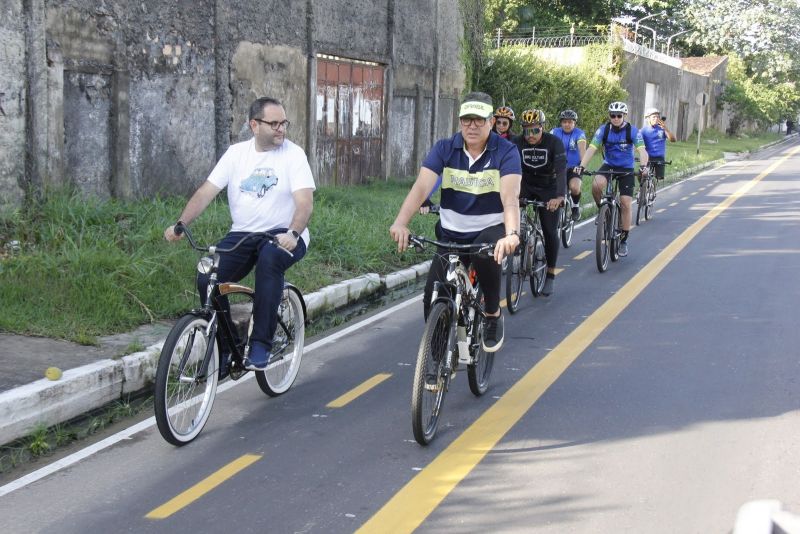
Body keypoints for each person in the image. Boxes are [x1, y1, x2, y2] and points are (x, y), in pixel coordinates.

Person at [164, 96, 315, 372]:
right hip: (243, 235)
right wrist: (180, 224)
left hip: (283, 234)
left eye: (284, 122)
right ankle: (226, 347)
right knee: (206, 276)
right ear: (254, 125)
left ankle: (261, 344)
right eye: (274, 123)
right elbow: (206, 192)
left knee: (270, 261)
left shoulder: (294, 155)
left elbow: (305, 202)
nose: (281, 128)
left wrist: (293, 232)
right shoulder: (236, 155)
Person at [390, 92, 522, 352]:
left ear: (491, 121)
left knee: (486, 255)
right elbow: (420, 189)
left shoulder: (506, 152)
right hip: (451, 233)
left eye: (479, 120)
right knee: (433, 297)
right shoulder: (445, 148)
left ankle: (493, 314)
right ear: (460, 121)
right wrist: (400, 223)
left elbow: (510, 197)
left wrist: (512, 233)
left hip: (489, 230)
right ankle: (436, 360)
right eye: (466, 120)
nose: (472, 126)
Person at [574, 101, 648, 258]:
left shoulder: (632, 131)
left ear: (624, 116)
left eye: (619, 116)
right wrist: (581, 166)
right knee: (596, 185)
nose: (615, 118)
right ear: (609, 116)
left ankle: (624, 240)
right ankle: (603, 211)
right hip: (608, 165)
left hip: (626, 168)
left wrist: (643, 166)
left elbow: (642, 151)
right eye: (612, 115)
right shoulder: (603, 130)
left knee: (626, 203)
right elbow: (592, 149)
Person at [512, 109, 567, 296]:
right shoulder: (516, 142)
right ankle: (517, 243)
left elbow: (560, 171)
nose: (530, 136)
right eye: (527, 131)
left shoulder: (554, 143)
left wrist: (559, 197)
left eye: (535, 131)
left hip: (548, 187)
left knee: (550, 230)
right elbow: (507, 166)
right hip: (526, 183)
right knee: (507, 210)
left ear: (542, 128)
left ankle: (550, 273)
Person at [550, 109, 587, 221]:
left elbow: (582, 151)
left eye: (570, 122)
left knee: (575, 188)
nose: (567, 124)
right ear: (561, 123)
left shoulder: (579, 133)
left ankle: (575, 207)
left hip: (574, 168)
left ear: (574, 123)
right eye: (565, 122)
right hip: (557, 167)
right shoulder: (554, 132)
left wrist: (581, 166)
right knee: (553, 191)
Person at [640, 107, 676, 181]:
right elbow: (637, 143)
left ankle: (652, 187)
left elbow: (673, 140)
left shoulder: (662, 129)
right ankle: (641, 190)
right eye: (654, 117)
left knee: (659, 177)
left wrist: (665, 128)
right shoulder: (643, 130)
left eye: (657, 117)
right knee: (641, 175)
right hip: (647, 157)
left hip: (659, 157)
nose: (656, 119)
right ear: (648, 118)